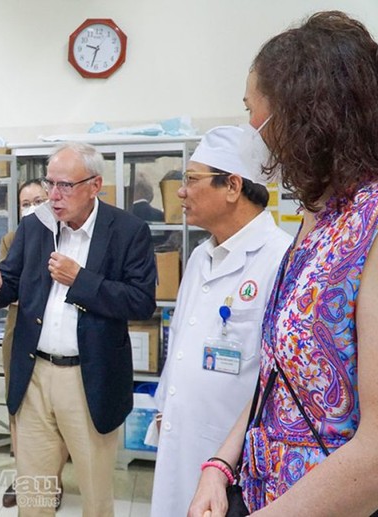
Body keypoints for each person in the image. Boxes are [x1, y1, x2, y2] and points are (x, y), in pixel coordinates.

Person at [188, 11, 378, 516]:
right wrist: (220, 465)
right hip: (265, 491)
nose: (250, 133)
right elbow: (281, 377)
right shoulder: (318, 217)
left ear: (304, 116)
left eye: (252, 114)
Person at [0, 142, 157, 516]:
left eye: (65, 186)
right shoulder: (35, 226)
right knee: (35, 496)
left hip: (89, 377)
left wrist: (80, 281)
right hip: (35, 374)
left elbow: (140, 302)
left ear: (95, 185)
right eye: (49, 183)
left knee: (94, 497)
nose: (53, 196)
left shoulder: (127, 230)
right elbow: (11, 280)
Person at [149, 125, 291, 517]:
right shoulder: (200, 256)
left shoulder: (280, 260)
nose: (180, 192)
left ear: (232, 186)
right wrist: (165, 407)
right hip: (180, 441)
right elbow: (180, 340)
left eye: (191, 181)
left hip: (233, 462)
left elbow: (278, 376)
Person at [0, 179, 66, 510]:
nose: (33, 207)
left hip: (59, 341)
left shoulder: (65, 234)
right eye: (26, 203)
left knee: (58, 414)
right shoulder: (13, 238)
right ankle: (23, 474)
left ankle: (54, 480)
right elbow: (5, 286)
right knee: (20, 407)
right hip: (20, 333)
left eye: (39, 199)